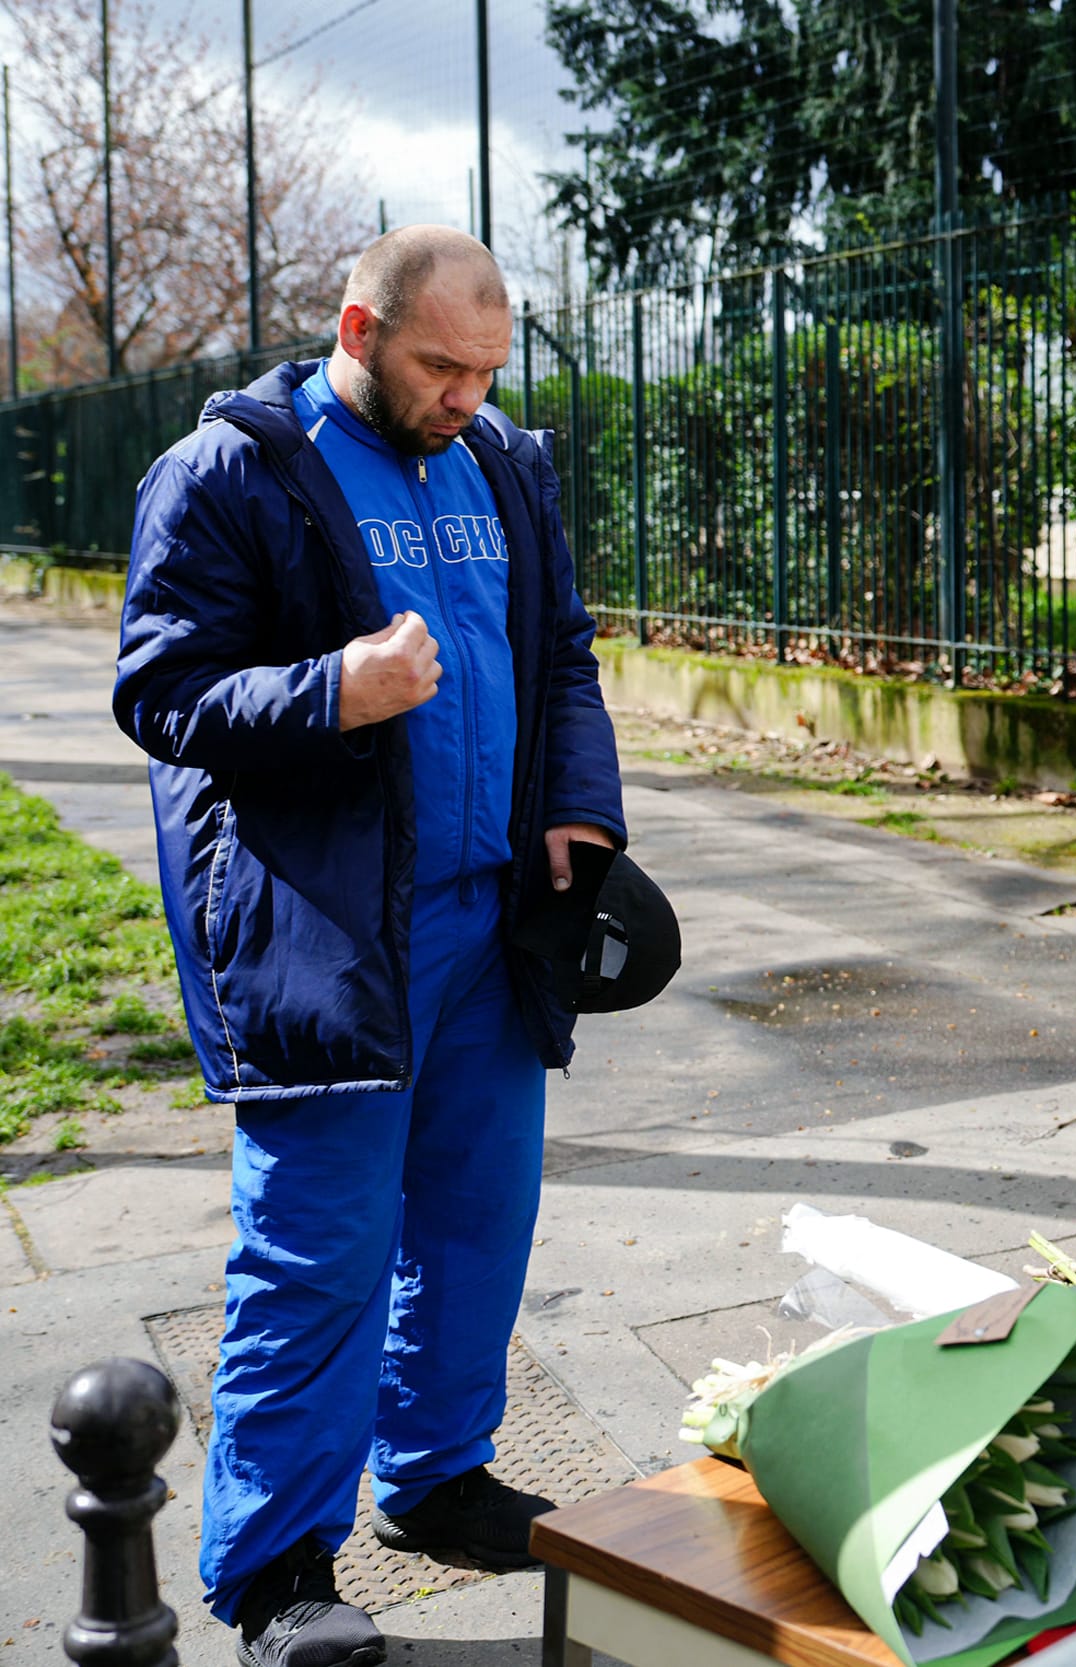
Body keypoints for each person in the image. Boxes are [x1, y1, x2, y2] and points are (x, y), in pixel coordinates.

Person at [114, 226, 625, 1667]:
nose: (467, 395)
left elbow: (564, 654)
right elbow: (160, 691)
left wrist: (579, 813)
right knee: (318, 1256)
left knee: (476, 1224)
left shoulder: (504, 467)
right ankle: (277, 1574)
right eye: (440, 367)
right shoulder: (233, 472)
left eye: (487, 369)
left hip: (490, 920)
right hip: (327, 935)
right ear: (358, 327)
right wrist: (337, 689)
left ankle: (439, 1479)